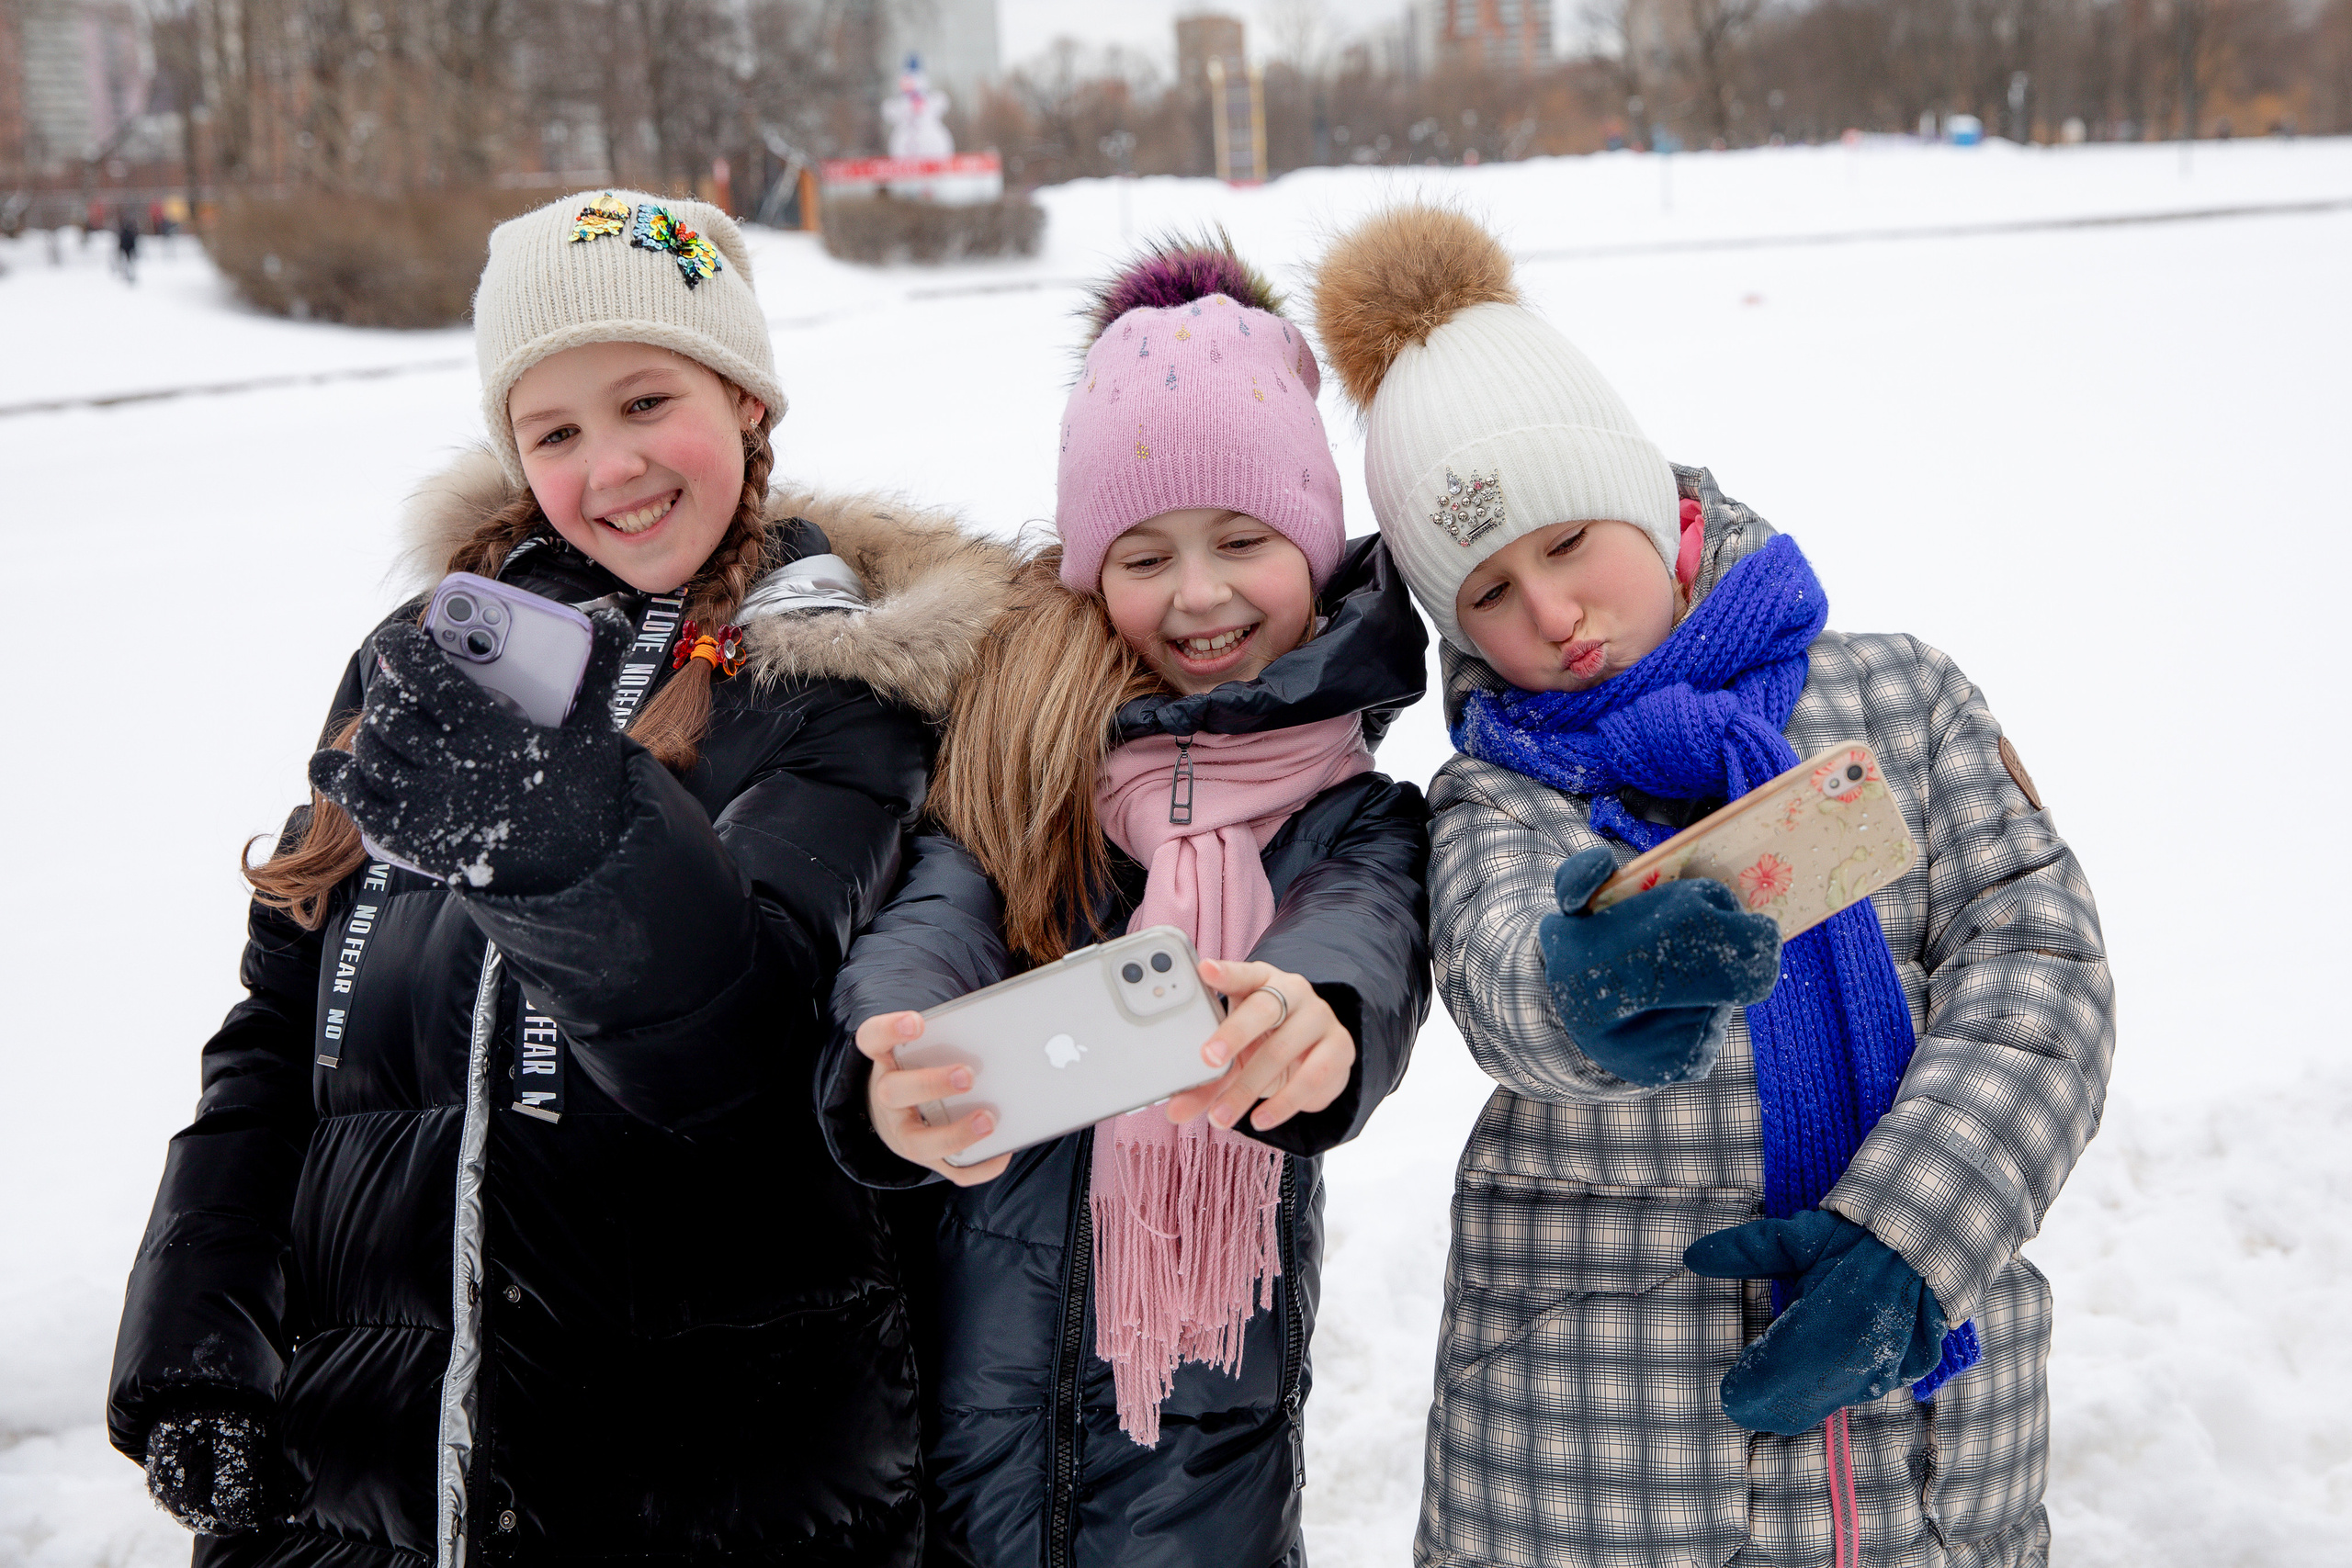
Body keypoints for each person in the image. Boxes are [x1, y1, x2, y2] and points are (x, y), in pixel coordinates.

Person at [107, 188, 1015, 1565]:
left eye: (648, 401)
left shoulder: (841, 682)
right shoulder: (427, 657)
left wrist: (569, 836)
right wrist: (200, 1330)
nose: (613, 468)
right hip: (366, 1490)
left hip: (699, 1491)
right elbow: (279, 1025)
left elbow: (745, 1058)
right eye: (556, 431)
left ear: (749, 400)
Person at [1310, 206, 2114, 1567]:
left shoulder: (1900, 698)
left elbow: (2040, 970)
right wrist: (1591, 978)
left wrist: (1911, 1242)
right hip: (1597, 1461)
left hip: (1933, 1447)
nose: (1551, 615)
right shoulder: (1504, 788)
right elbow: (1505, 971)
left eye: (1569, 545)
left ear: (1653, 504)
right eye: (1489, 593)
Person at [820, 239, 1433, 1568]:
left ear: (1316, 550)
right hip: (963, 1393)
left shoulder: (1352, 808)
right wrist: (898, 1040)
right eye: (1144, 553)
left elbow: (1360, 934)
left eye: (1245, 543)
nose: (1199, 595)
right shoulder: (1029, 755)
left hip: (1204, 1425)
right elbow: (945, 902)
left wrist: (1312, 1015)